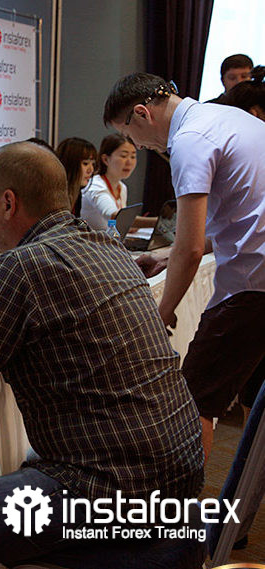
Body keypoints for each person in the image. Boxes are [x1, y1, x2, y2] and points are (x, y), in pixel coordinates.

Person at [0, 142, 204, 568]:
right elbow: (15, 325)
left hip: (105, 487)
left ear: (8, 203)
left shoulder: (21, 266)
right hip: (179, 474)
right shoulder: (106, 245)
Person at [104, 72, 265, 460]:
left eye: (130, 135)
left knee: (193, 402)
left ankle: (183, 498)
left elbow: (191, 249)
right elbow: (240, 215)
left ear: (141, 114)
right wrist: (166, 256)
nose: (138, 146)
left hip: (253, 283)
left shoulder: (190, 140)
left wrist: (162, 312)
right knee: (253, 393)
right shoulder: (229, 118)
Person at [80, 134, 153, 232]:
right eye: (124, 156)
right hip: (91, 240)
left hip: (109, 239)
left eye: (133, 156)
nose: (129, 162)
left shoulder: (122, 187)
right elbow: (115, 216)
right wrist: (156, 222)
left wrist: (128, 227)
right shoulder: (95, 185)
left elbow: (115, 222)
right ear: (106, 159)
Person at [54, 137, 97, 216]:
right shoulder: (55, 197)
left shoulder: (77, 194)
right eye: (85, 163)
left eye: (93, 164)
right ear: (70, 163)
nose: (91, 170)